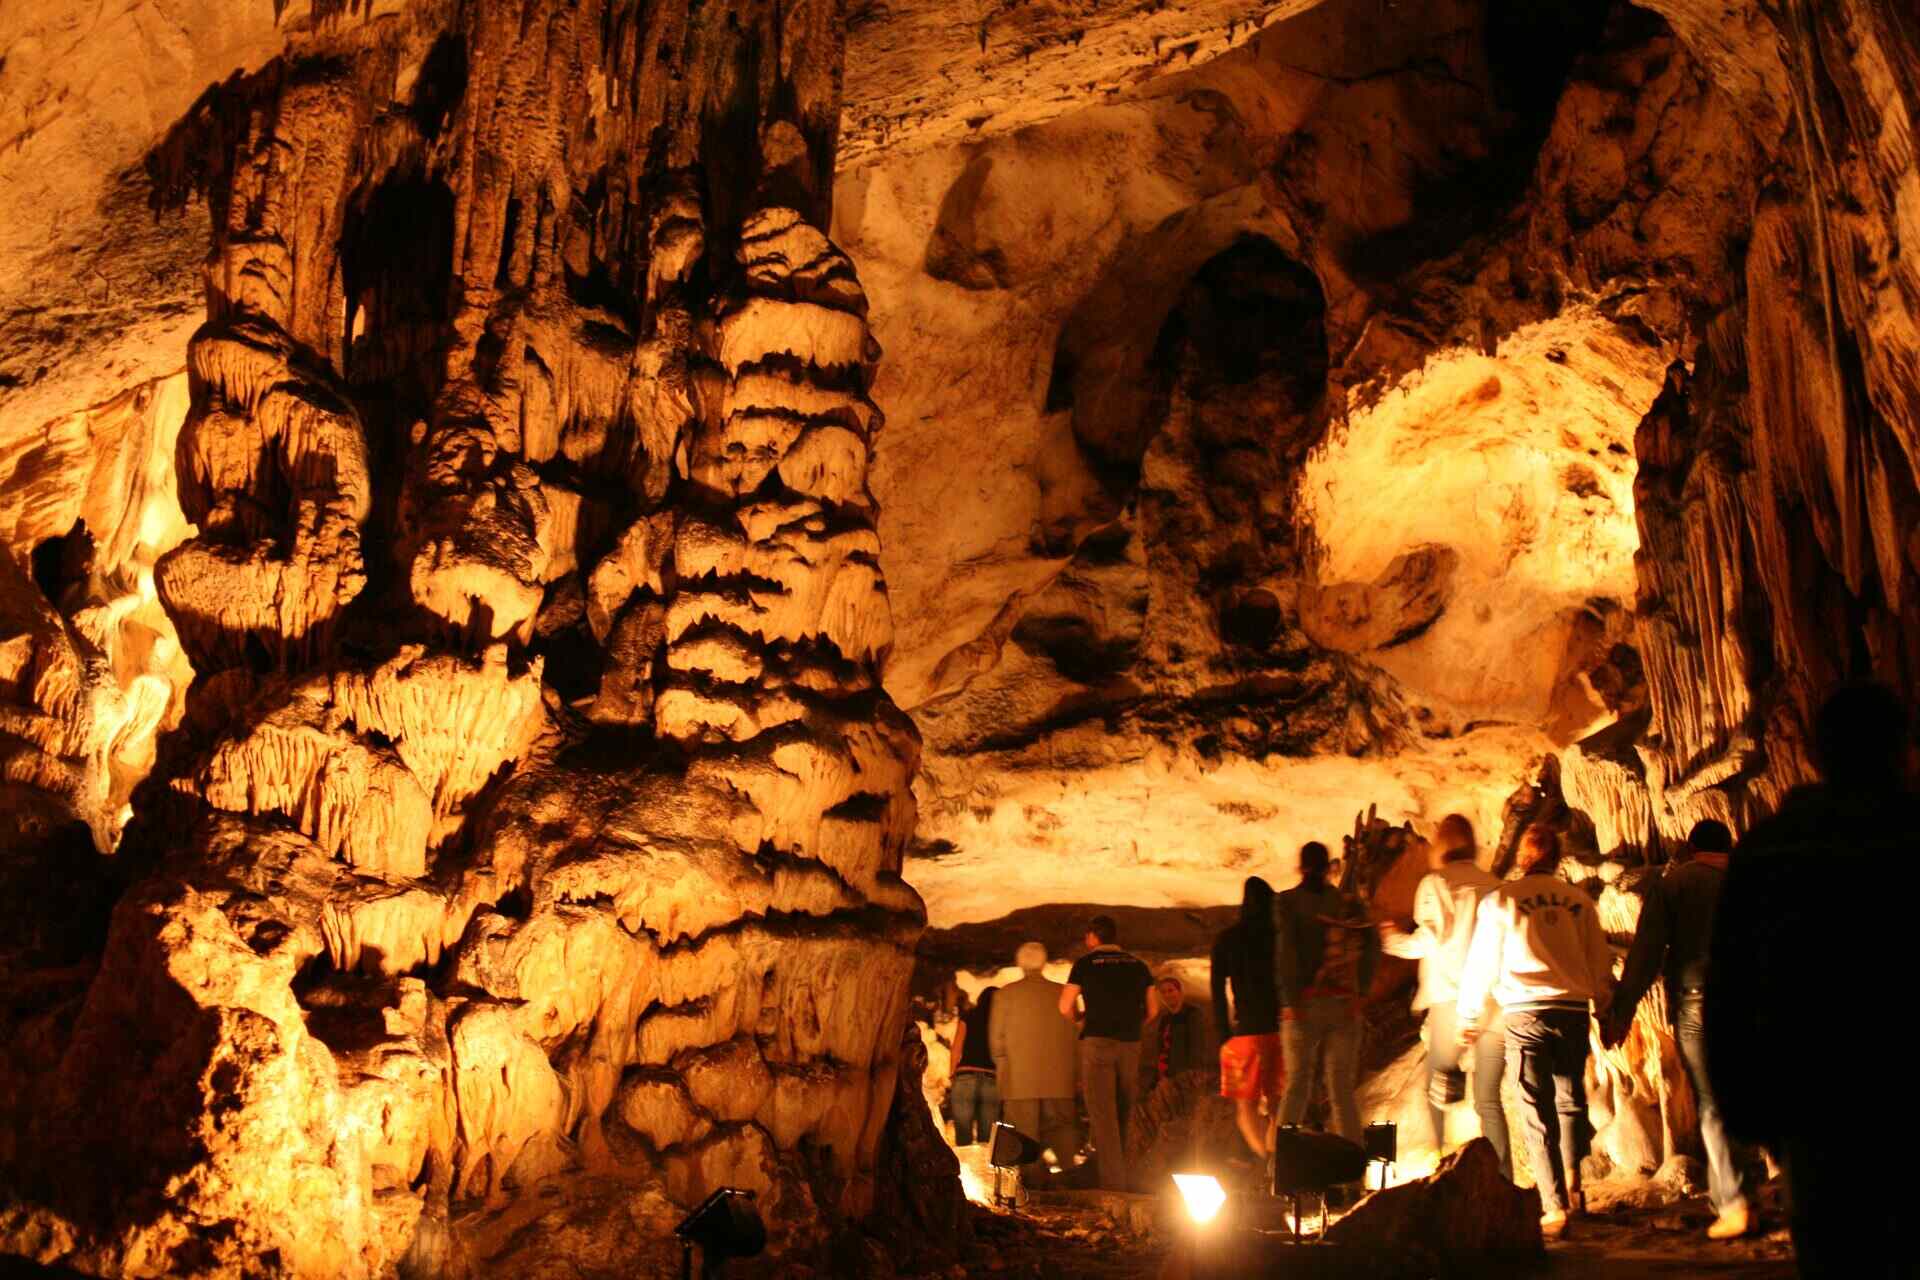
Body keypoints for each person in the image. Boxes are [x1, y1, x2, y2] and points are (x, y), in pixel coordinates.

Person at [1707, 684, 1913, 1277]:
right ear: (1903, 748)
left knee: (1837, 1249)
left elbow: (1733, 981)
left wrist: (1743, 1102)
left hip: (1815, 1096)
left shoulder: (1772, 848)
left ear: (1816, 754)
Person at [1456, 826, 1614, 1239]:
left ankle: (1554, 1205)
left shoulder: (1501, 901)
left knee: (1534, 1109)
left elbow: (1482, 962)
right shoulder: (1578, 900)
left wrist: (1469, 1014)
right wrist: (1606, 1008)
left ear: (1522, 857)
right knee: (1570, 1099)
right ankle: (1575, 1185)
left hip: (1525, 1012)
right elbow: (1598, 961)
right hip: (1573, 1010)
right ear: (1557, 857)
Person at [1602, 819, 1748, 1239]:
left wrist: (1622, 1011)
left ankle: (1734, 1201)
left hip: (1697, 999)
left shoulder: (1675, 884)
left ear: (1691, 848)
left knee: (1712, 1099)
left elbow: (1646, 953)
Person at [1379, 815, 1511, 1176]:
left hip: (1451, 999)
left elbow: (1430, 938)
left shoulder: (1436, 883)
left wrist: (1391, 940)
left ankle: (1442, 1173)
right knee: (1488, 1099)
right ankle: (1503, 1180)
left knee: (1438, 1092)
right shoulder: (1495, 886)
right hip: (1494, 1003)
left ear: (1441, 847)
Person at [1274, 842, 1377, 1143]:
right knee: (1341, 1089)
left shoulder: (1287, 902)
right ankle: (1353, 1165)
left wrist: (1289, 1001)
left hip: (1303, 1004)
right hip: (1343, 1004)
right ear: (1329, 868)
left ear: (1300, 867)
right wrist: (1363, 992)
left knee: (1296, 1087)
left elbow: (1285, 953)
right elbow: (1372, 945)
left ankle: (1283, 1162)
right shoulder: (1348, 903)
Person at [1059, 915, 1156, 1190]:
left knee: (1103, 1114)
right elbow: (1153, 1009)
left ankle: (1113, 1185)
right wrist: (1134, 1027)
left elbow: (1064, 1005)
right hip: (1130, 1044)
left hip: (1098, 1041)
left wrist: (1079, 1021)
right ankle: (1125, 1175)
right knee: (1124, 1110)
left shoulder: (1085, 963)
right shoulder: (1138, 965)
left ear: (1093, 936)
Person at [989, 942, 1080, 1183]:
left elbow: (997, 1043)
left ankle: (1034, 1189)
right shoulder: (1064, 993)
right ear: (1044, 962)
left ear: (1019, 963)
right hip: (1060, 1080)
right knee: (1063, 1136)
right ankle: (1071, 1182)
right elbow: (1076, 1037)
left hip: (1020, 1082)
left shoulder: (1004, 995)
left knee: (1025, 1140)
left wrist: (1003, 1073)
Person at [1211, 876, 1283, 1160]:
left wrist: (1223, 1034)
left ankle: (1265, 1162)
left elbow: (1217, 991)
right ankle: (1278, 1163)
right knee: (1279, 1104)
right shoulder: (1278, 936)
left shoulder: (1227, 940)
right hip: (1279, 1029)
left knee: (1245, 1107)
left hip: (1244, 1033)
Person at [949, 984, 1001, 1146]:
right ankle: (983, 1161)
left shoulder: (968, 1017)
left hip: (965, 1075)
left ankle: (963, 1161)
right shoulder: (1002, 1022)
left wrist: (952, 1074)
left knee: (963, 1133)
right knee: (987, 1136)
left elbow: (956, 1048)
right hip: (992, 1078)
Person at [1143, 968, 1208, 1088]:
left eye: (1171, 990)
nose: (1167, 995)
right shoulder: (1165, 1018)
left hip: (1184, 1073)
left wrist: (1193, 1073)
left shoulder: (1192, 1013)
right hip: (1165, 1072)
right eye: (1163, 992)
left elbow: (1197, 1045)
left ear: (1180, 991)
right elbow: (1162, 1047)